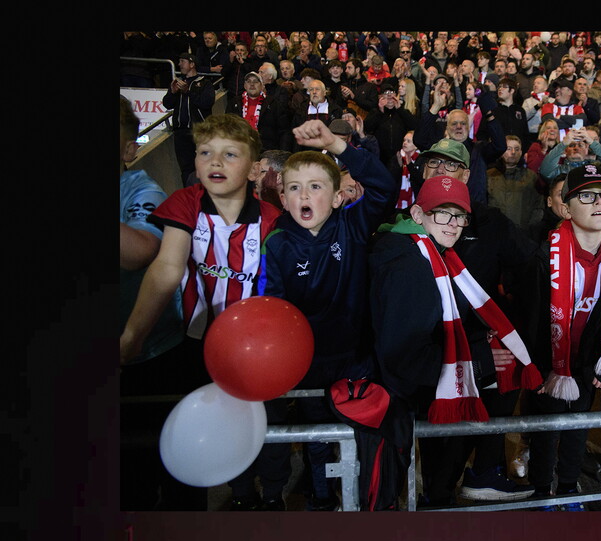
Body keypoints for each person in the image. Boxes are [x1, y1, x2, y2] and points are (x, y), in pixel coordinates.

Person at [120, 114, 282, 508]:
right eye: (205, 153)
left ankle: (270, 495)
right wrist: (132, 337)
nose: (215, 162)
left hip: (253, 353)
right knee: (198, 432)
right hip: (192, 345)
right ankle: (225, 498)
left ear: (255, 168)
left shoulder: (273, 220)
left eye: (230, 154)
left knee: (261, 428)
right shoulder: (184, 203)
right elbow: (166, 268)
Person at [369, 175, 540, 507]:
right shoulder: (408, 263)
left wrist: (478, 341)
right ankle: (442, 494)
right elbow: (403, 357)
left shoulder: (430, 252)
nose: (453, 224)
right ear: (418, 214)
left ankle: (444, 490)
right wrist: (477, 361)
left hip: (419, 386)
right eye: (442, 213)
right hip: (401, 400)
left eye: (459, 215)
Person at [260, 119, 396, 510]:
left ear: (338, 197)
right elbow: (273, 309)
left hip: (356, 360)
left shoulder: (352, 225)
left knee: (356, 434)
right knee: (316, 436)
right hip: (308, 365)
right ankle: (321, 497)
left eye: (316, 187)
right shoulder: (278, 243)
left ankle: (362, 499)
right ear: (282, 199)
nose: (304, 195)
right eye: (294, 188)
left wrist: (337, 144)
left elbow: (384, 184)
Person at [516, 165, 601, 511]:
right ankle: (541, 492)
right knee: (547, 429)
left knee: (578, 429)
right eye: (586, 195)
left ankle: (570, 490)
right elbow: (530, 319)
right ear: (567, 208)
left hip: (589, 362)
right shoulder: (542, 257)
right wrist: (538, 368)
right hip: (550, 362)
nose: (599, 202)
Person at [119, 96, 186, 511]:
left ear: (129, 150)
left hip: (152, 359)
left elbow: (142, 251)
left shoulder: (144, 190)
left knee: (161, 474)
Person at [163, 53, 215, 185]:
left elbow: (207, 102)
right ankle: (188, 196)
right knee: (186, 168)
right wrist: (173, 93)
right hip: (181, 132)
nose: (179, 64)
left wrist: (189, 92)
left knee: (205, 165)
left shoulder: (205, 83)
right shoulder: (178, 83)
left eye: (182, 61)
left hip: (200, 132)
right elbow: (167, 104)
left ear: (192, 64)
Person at [487, 135, 542, 233]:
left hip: (523, 234)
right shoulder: (489, 175)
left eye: (517, 149)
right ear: (501, 151)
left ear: (521, 152)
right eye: (509, 149)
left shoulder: (531, 176)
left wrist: (529, 228)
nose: (513, 152)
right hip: (493, 232)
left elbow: (538, 205)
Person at [227, 72, 293, 152]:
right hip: (239, 149)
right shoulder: (234, 103)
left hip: (266, 150)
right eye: (249, 81)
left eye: (255, 81)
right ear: (244, 86)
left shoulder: (273, 104)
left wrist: (283, 152)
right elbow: (227, 127)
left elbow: (284, 131)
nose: (252, 84)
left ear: (262, 86)